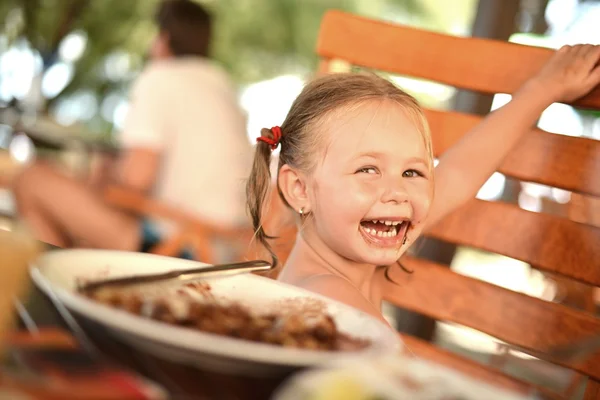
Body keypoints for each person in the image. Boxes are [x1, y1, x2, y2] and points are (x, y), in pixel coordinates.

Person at [246, 44, 600, 323]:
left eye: (413, 172)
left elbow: (460, 172)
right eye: (368, 170)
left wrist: (542, 90)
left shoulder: (350, 244)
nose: (398, 192)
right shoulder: (330, 300)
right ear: (300, 189)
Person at [8, 0, 252, 254]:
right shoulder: (223, 85)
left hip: (179, 245)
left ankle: (55, 285)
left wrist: (104, 177)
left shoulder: (161, 76)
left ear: (163, 39)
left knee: (30, 180)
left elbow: (137, 180)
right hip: (224, 248)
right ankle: (62, 280)